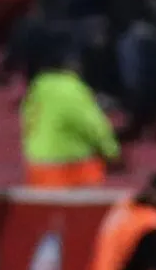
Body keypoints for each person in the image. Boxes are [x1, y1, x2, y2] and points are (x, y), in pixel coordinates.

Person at [20, 41, 121, 188]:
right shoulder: (71, 89)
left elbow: (27, 119)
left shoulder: (38, 86)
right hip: (70, 168)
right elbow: (94, 125)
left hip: (37, 167)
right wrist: (112, 153)